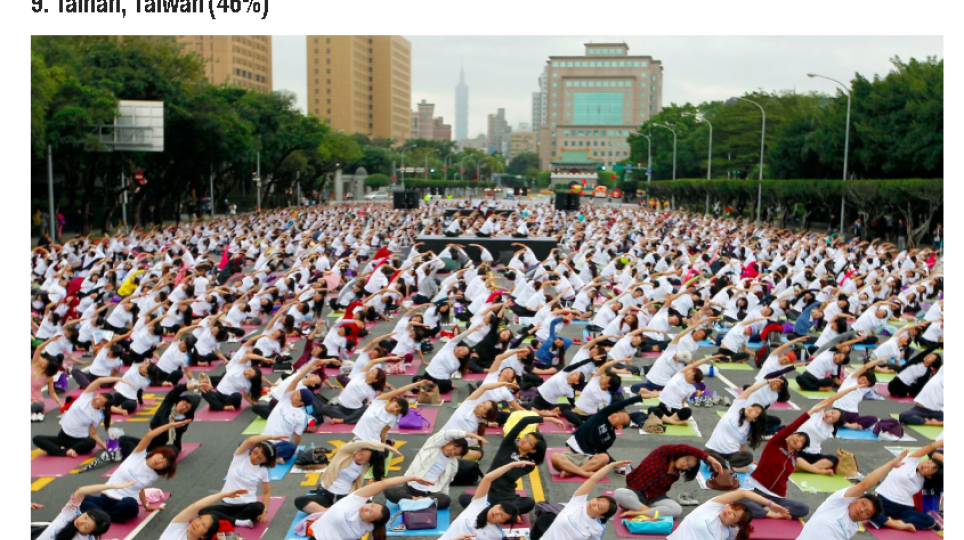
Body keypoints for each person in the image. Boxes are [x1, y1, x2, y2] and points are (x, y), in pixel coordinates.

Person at [79, 420, 188, 523]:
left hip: (125, 503)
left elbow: (141, 488)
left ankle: (100, 515)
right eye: (162, 457)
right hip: (106, 497)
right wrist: (171, 425)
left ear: (163, 469)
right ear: (157, 452)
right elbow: (149, 436)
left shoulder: (154, 475)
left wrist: (146, 505)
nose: (159, 461)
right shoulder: (138, 454)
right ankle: (108, 516)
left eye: (164, 463)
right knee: (85, 500)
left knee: (128, 504)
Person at [797, 451, 911, 540]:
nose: (862, 510)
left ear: (866, 519)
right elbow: (864, 485)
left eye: (867, 513)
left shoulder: (853, 528)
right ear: (856, 499)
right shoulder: (839, 502)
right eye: (863, 504)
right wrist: (891, 464)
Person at [457, 413, 555, 514]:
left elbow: (509, 475)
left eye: (529, 442)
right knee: (463, 498)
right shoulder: (508, 445)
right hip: (487, 493)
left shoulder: (528, 465)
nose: (524, 440)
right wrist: (550, 419)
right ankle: (503, 513)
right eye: (526, 437)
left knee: (529, 502)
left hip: (506, 498)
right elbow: (524, 421)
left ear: (533, 450)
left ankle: (497, 512)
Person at [386, 428, 488, 509]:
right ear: (450, 442)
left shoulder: (453, 464)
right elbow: (447, 434)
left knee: (445, 501)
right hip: (411, 487)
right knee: (389, 491)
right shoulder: (432, 446)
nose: (452, 452)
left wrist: (443, 497)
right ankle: (417, 500)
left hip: (429, 492)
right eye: (454, 448)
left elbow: (446, 483)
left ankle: (414, 501)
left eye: (455, 453)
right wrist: (472, 435)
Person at [550, 392, 645, 479]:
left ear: (619, 426)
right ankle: (583, 473)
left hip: (587, 458)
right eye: (616, 413)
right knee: (554, 457)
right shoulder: (602, 415)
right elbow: (620, 404)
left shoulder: (611, 437)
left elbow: (601, 450)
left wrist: (615, 463)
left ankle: (571, 472)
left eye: (618, 417)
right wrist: (639, 397)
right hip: (570, 454)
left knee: (604, 458)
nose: (615, 415)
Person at [199, 434, 287, 528]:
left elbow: (266, 492)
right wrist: (272, 437)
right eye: (255, 452)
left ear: (266, 460)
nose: (255, 457)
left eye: (260, 457)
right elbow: (249, 440)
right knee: (203, 512)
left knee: (259, 507)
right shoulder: (240, 456)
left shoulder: (263, 471)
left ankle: (232, 519)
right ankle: (237, 521)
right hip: (227, 504)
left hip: (246, 506)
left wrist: (264, 511)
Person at [307, 475, 433, 540]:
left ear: (370, 522)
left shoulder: (366, 527)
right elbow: (384, 484)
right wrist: (413, 478)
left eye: (371, 513)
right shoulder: (356, 500)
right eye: (372, 505)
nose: (366, 508)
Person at [617, 444, 724, 518]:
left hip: (653, 499)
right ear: (681, 454)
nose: (684, 464)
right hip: (635, 492)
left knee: (677, 509)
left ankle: (640, 511)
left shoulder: (675, 475)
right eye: (686, 459)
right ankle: (647, 511)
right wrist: (709, 459)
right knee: (619, 493)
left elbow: (661, 493)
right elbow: (685, 448)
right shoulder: (662, 453)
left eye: (688, 466)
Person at [533, 460, 629, 540]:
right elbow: (593, 479)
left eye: (599, 506)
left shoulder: (597, 529)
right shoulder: (577, 502)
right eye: (597, 500)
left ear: (601, 516)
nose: (594, 503)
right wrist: (611, 465)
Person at [296, 440, 402, 513]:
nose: (359, 458)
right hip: (326, 494)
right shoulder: (345, 452)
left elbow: (380, 458)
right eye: (361, 453)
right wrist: (386, 446)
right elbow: (362, 442)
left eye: (364, 459)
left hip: (345, 497)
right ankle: (327, 512)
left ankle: (334, 511)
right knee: (300, 501)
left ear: (368, 462)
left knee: (371, 508)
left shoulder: (365, 467)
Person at [437, 462, 531, 540]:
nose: (497, 512)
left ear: (502, 523)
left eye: (502, 515)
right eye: (500, 508)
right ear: (496, 505)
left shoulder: (496, 535)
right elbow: (488, 478)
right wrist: (511, 465)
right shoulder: (479, 504)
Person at [32, 376, 122, 457]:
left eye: (100, 401)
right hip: (63, 436)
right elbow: (99, 381)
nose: (96, 398)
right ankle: (66, 451)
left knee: (91, 442)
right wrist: (119, 379)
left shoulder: (98, 415)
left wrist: (104, 446)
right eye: (98, 396)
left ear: (102, 407)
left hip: (79, 440)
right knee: (37, 439)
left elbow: (93, 434)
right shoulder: (86, 396)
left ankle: (66, 449)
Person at [869, 440, 943, 532]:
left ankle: (894, 522)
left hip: (903, 508)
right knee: (869, 510)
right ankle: (894, 524)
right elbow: (931, 447)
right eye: (928, 462)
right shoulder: (910, 460)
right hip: (883, 501)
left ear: (930, 476)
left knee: (929, 520)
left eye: (930, 469)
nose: (926, 465)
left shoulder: (924, 481)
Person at [666, 489, 789, 540]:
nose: (729, 511)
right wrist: (770, 504)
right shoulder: (712, 507)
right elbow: (743, 493)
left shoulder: (728, 533)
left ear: (735, 524)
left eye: (734, 515)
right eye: (732, 507)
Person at [704, 379, 771, 471]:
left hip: (731, 455)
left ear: (755, 419)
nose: (751, 409)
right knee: (705, 455)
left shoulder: (749, 429)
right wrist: (767, 381)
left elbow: (742, 444)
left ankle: (723, 467)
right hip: (713, 451)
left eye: (756, 412)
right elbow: (749, 390)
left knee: (748, 456)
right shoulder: (736, 410)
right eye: (752, 407)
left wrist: (746, 461)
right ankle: (731, 468)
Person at [35, 481, 136, 540]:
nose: (81, 522)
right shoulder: (69, 514)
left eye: (86, 526)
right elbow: (81, 491)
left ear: (91, 532)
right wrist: (113, 486)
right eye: (85, 517)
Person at [157, 488, 249, 540]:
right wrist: (223, 495)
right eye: (200, 518)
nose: (197, 523)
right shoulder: (178, 526)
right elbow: (196, 506)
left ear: (203, 535)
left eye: (203, 525)